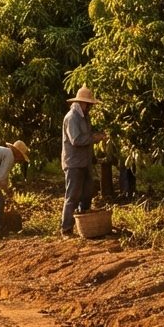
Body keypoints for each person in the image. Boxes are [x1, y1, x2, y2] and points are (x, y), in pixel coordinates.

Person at [60, 86, 106, 237]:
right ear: (81, 103)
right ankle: (66, 229)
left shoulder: (84, 117)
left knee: (87, 192)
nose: (90, 107)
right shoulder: (72, 117)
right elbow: (76, 140)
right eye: (88, 104)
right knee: (72, 196)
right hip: (73, 163)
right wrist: (95, 138)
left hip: (84, 162)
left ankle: (84, 223)